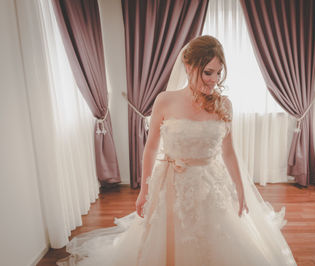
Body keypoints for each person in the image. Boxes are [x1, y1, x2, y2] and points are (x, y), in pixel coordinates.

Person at [57, 35, 296, 266]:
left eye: (218, 72)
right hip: (171, 183)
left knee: (214, 238)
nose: (214, 80)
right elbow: (150, 148)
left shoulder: (224, 105)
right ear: (188, 66)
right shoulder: (165, 100)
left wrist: (241, 189)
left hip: (211, 184)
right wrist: (144, 190)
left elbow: (229, 152)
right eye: (207, 72)